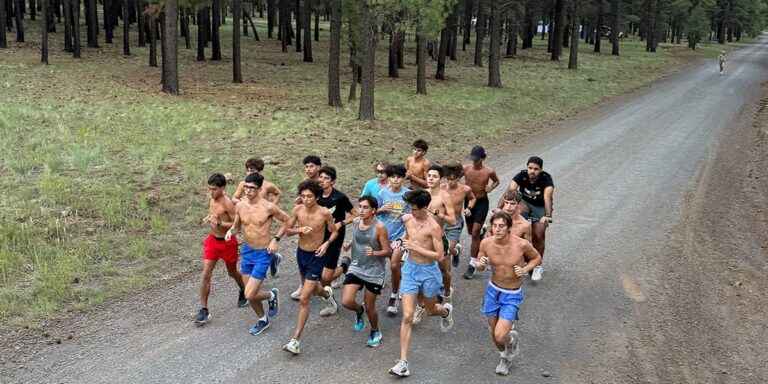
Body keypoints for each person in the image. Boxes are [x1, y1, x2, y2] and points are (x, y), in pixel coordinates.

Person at [388, 190, 454, 377]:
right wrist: (399, 242)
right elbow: (406, 237)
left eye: (414, 209)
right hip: (410, 270)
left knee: (430, 311)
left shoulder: (434, 227)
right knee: (407, 316)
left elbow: (439, 255)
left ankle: (445, 311)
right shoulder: (408, 219)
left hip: (429, 272)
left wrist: (416, 247)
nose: (411, 211)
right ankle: (403, 362)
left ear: (425, 208)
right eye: (410, 208)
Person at [475, 212, 541, 375]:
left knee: (500, 335)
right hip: (493, 291)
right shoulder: (486, 243)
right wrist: (480, 264)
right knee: (493, 332)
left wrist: (525, 269)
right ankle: (504, 357)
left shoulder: (521, 244)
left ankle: (511, 340)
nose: (497, 229)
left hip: (512, 294)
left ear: (509, 228)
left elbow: (536, 258)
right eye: (494, 226)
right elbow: (478, 263)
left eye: (501, 226)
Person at [223, 173, 288, 335]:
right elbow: (237, 226)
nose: (248, 191)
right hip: (247, 251)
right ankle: (263, 319)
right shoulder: (240, 205)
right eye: (246, 187)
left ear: (259, 189)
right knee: (250, 293)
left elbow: (287, 220)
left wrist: (276, 239)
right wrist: (230, 231)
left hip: (263, 253)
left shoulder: (268, 207)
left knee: (249, 293)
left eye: (252, 188)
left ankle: (271, 294)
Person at [282, 180, 339, 355]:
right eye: (303, 196)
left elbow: (334, 231)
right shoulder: (297, 210)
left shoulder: (324, 213)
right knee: (314, 289)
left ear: (317, 197)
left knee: (304, 298)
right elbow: (287, 230)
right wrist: (299, 230)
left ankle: (295, 341)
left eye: (309, 196)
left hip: (317, 256)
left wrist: (326, 244)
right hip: (301, 254)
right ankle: (327, 294)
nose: (305, 199)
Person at [195, 173, 248, 324]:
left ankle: (243, 290)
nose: (211, 192)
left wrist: (219, 223)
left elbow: (236, 224)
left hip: (227, 243)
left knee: (232, 272)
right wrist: (210, 218)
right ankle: (204, 310)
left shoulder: (228, 203)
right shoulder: (212, 199)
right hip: (212, 241)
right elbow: (215, 216)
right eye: (209, 189)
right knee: (206, 275)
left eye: (214, 189)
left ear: (222, 188)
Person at [340, 196, 391, 347]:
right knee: (346, 301)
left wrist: (375, 253)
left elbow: (388, 251)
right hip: (357, 266)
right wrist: (350, 244)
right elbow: (358, 238)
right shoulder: (357, 221)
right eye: (360, 206)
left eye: (365, 207)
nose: (361, 210)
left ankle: (375, 331)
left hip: (374, 271)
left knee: (370, 306)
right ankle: (359, 311)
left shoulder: (379, 227)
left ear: (374, 210)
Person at [496, 156, 553, 281]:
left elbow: (547, 198)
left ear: (541, 169)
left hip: (540, 206)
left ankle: (537, 265)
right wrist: (498, 208)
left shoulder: (546, 179)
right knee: (514, 225)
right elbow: (509, 191)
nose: (532, 171)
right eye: (530, 168)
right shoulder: (521, 176)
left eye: (536, 169)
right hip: (524, 204)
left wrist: (548, 215)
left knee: (538, 233)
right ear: (527, 167)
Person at [413, 165, 456, 326]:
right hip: (422, 239)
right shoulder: (422, 194)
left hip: (439, 238)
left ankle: (447, 292)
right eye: (429, 176)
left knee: (443, 270)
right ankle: (420, 305)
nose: (431, 178)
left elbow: (453, 220)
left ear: (441, 179)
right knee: (418, 271)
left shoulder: (445, 196)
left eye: (434, 176)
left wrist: (439, 214)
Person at [232, 157, 284, 278]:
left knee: (262, 236)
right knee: (251, 235)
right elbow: (234, 198)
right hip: (248, 213)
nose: (249, 173)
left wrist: (272, 207)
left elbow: (278, 193)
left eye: (252, 171)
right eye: (248, 170)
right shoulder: (244, 184)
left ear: (259, 172)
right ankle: (272, 258)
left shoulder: (267, 185)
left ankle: (266, 261)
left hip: (263, 215)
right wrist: (243, 203)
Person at [317, 166, 358, 315]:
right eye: (321, 177)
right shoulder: (315, 195)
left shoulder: (339, 197)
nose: (322, 180)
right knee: (320, 276)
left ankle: (344, 266)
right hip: (317, 237)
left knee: (326, 276)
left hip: (335, 237)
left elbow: (355, 214)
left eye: (326, 178)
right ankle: (330, 303)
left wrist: (341, 223)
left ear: (332, 182)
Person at [376, 163, 411, 315]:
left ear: (403, 178)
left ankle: (393, 296)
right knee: (395, 267)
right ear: (389, 178)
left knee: (394, 265)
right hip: (384, 236)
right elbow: (373, 212)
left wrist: (402, 239)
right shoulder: (382, 193)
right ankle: (402, 282)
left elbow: (413, 219)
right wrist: (382, 209)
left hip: (400, 237)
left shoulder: (408, 195)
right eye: (393, 177)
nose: (395, 180)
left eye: (399, 177)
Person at [462, 145, 500, 280]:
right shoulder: (465, 168)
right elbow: (454, 178)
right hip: (468, 202)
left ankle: (472, 264)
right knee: (470, 231)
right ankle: (482, 232)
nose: (474, 162)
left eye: (477, 160)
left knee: (474, 233)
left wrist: (491, 188)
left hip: (482, 202)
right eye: (473, 159)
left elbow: (497, 181)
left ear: (483, 158)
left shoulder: (489, 171)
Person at [291, 155, 323, 300]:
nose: (308, 169)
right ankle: (304, 283)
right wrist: (299, 201)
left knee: (323, 253)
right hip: (306, 222)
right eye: (306, 166)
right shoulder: (305, 182)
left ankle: (331, 275)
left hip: (322, 221)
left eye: (311, 166)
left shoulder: (323, 181)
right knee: (303, 254)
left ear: (318, 167)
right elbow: (299, 201)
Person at [441, 162, 476, 270]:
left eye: (453, 179)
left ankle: (446, 275)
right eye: (448, 179)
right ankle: (456, 251)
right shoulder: (441, 187)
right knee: (442, 249)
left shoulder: (465, 189)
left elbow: (472, 199)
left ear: (458, 178)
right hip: (442, 221)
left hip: (455, 223)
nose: (450, 182)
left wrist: (468, 208)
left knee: (447, 251)